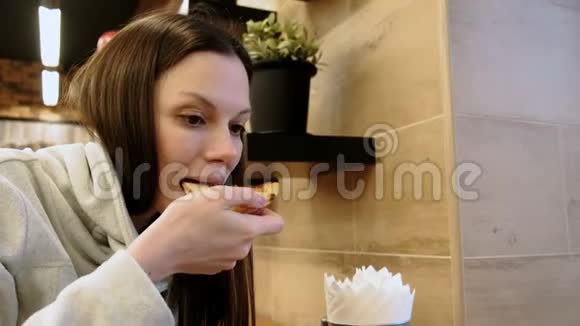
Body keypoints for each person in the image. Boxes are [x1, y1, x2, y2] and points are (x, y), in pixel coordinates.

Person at [0, 8, 284, 326]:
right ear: (122, 116)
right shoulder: (9, 192)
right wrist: (152, 262)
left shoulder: (207, 251)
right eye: (193, 118)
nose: (228, 152)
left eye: (236, 127)